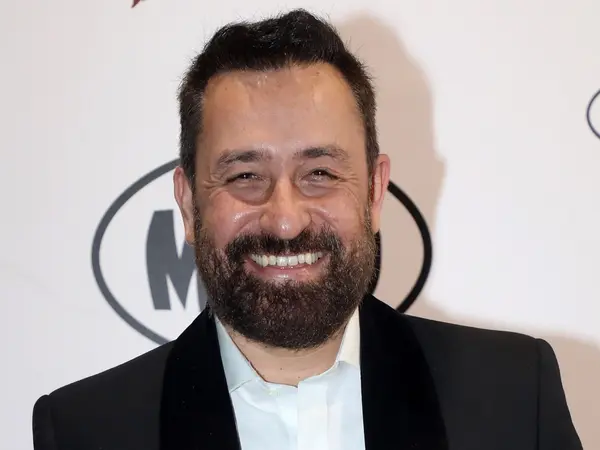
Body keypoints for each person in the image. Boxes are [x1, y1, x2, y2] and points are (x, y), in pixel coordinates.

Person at [32, 9, 582, 450]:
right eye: (245, 176)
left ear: (375, 191)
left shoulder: (514, 397)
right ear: (187, 202)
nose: (285, 218)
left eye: (319, 173)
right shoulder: (87, 429)